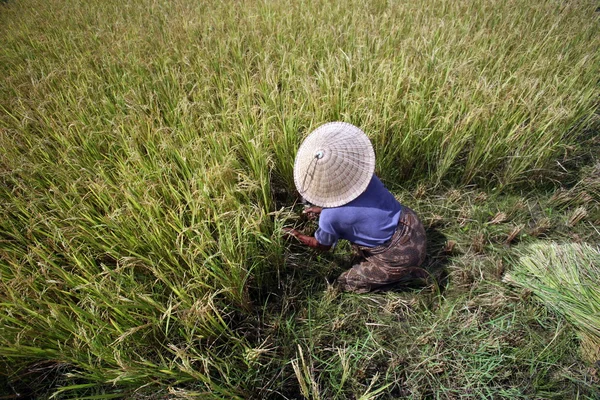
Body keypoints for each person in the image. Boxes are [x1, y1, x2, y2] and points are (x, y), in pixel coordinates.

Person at [283, 122, 428, 293]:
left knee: (345, 282)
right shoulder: (366, 179)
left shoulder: (330, 218)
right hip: (413, 225)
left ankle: (403, 278)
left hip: (402, 256)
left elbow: (322, 245)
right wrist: (323, 211)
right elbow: (357, 207)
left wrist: (297, 235)